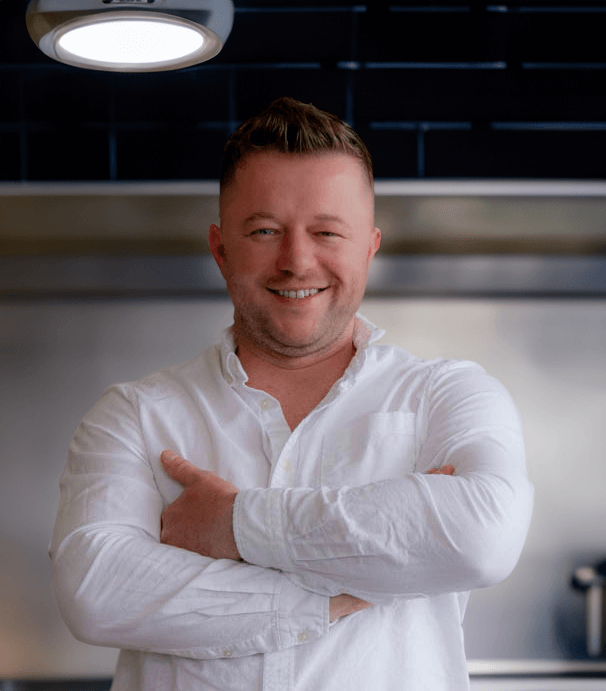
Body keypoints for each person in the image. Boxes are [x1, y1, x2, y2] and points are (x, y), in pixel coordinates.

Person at [50, 97, 534, 691]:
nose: (297, 261)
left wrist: (234, 525)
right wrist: (332, 595)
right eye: (265, 231)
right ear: (221, 249)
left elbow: (482, 538)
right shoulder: (134, 415)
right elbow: (96, 592)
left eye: (327, 232)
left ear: (369, 247)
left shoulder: (446, 394)